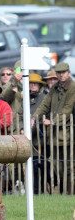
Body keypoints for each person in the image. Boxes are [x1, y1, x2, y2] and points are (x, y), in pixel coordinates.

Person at [33, 62, 75, 194]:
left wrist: (52, 122)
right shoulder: (55, 88)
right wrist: (34, 117)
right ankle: (63, 193)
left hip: (68, 134)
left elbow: (67, 110)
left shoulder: (73, 87)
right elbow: (45, 104)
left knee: (68, 167)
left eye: (63, 72)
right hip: (55, 136)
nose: (61, 75)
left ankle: (69, 194)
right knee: (57, 165)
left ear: (68, 72)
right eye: (59, 73)